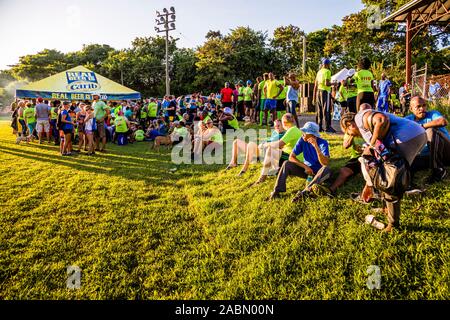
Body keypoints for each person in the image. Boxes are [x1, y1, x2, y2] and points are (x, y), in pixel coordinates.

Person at [340, 105, 426, 232]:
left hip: (405, 138)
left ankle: (393, 225)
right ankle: (386, 208)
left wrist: (371, 145)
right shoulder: (363, 123)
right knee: (385, 174)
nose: (352, 136)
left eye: (348, 133)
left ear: (349, 125)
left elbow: (381, 119)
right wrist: (368, 186)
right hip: (415, 135)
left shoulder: (359, 118)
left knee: (390, 181)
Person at [270, 122, 332, 201]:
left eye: (305, 132)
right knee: (286, 164)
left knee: (326, 169)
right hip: (307, 171)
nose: (302, 134)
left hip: (318, 173)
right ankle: (276, 191)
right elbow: (291, 157)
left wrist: (316, 146)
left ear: (312, 134)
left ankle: (305, 192)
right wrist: (305, 167)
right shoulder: (302, 140)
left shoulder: (323, 143)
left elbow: (325, 163)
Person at [406, 96, 450, 183]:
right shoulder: (408, 120)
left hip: (446, 152)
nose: (422, 108)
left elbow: (443, 121)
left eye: (424, 105)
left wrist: (421, 127)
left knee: (430, 131)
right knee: (406, 165)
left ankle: (439, 170)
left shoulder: (433, 114)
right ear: (411, 109)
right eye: (418, 106)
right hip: (426, 156)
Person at [254, 113, 301, 185]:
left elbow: (278, 144)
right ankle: (275, 170)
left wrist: (265, 145)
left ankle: (262, 177)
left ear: (284, 123)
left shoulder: (291, 131)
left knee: (271, 149)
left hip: (294, 158)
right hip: (293, 156)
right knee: (274, 149)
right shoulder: (295, 129)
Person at [328, 113, 365, 195]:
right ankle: (330, 190)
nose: (352, 126)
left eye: (353, 123)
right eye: (349, 125)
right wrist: (352, 135)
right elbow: (345, 146)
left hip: (370, 157)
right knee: (344, 171)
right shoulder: (349, 133)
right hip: (356, 158)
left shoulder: (366, 130)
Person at [313, 58, 336, 133]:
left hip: (318, 92)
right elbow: (327, 83)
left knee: (319, 110)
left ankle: (319, 127)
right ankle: (327, 127)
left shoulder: (319, 72)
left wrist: (314, 97)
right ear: (327, 64)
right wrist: (334, 84)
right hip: (325, 92)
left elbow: (315, 85)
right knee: (326, 110)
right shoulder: (327, 71)